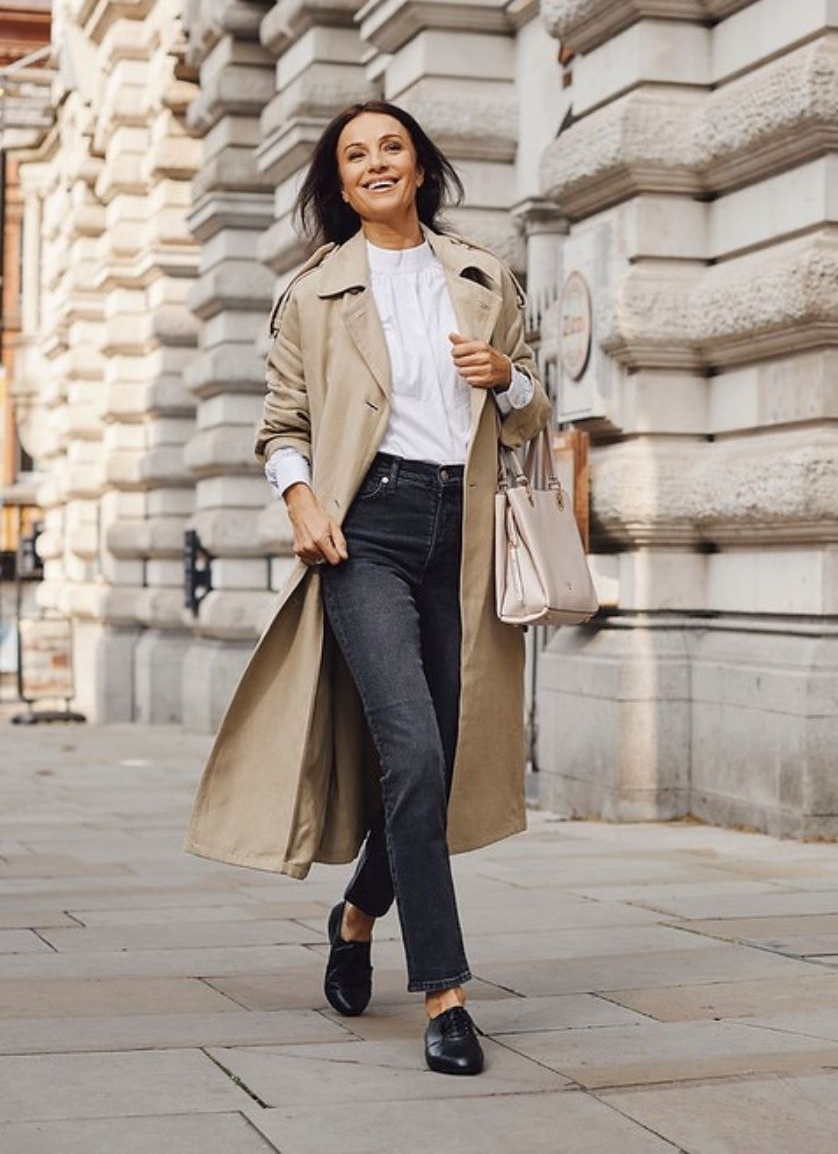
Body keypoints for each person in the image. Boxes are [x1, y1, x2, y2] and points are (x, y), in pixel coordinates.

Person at [183, 100, 550, 1076]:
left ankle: (356, 915)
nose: (377, 162)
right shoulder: (314, 293)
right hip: (365, 533)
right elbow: (279, 422)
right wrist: (299, 498)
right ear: (341, 186)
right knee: (415, 750)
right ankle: (448, 996)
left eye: (392, 146)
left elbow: (531, 413)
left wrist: (507, 375)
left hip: (462, 535)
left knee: (432, 761)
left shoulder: (482, 278)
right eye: (356, 155)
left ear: (421, 167)